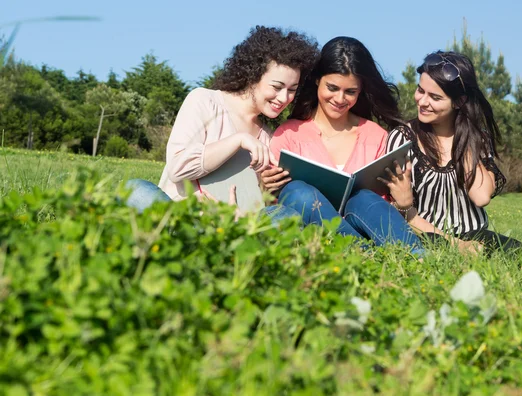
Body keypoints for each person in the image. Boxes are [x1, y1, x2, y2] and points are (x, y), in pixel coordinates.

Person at [126, 26, 319, 222]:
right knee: (137, 190)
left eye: (292, 89)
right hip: (180, 217)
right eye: (277, 87)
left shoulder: (269, 138)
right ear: (253, 76)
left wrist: (263, 193)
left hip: (232, 226)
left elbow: (258, 203)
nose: (284, 97)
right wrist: (239, 140)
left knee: (286, 217)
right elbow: (178, 169)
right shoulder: (203, 101)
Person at [265, 37, 424, 256]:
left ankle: (418, 256)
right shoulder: (289, 135)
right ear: (317, 81)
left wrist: (404, 201)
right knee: (298, 192)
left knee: (364, 198)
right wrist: (266, 186)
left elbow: (382, 210)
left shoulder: (377, 136)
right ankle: (363, 256)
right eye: (332, 87)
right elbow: (276, 207)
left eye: (350, 92)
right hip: (312, 234)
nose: (340, 99)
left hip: (365, 224)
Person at [383, 50, 522, 260]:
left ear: (458, 102)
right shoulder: (402, 138)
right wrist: (457, 245)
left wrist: (465, 137)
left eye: (435, 97)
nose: (422, 102)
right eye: (420, 90)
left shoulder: (476, 138)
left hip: (477, 235)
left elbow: (481, 196)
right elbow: (401, 209)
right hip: (425, 234)